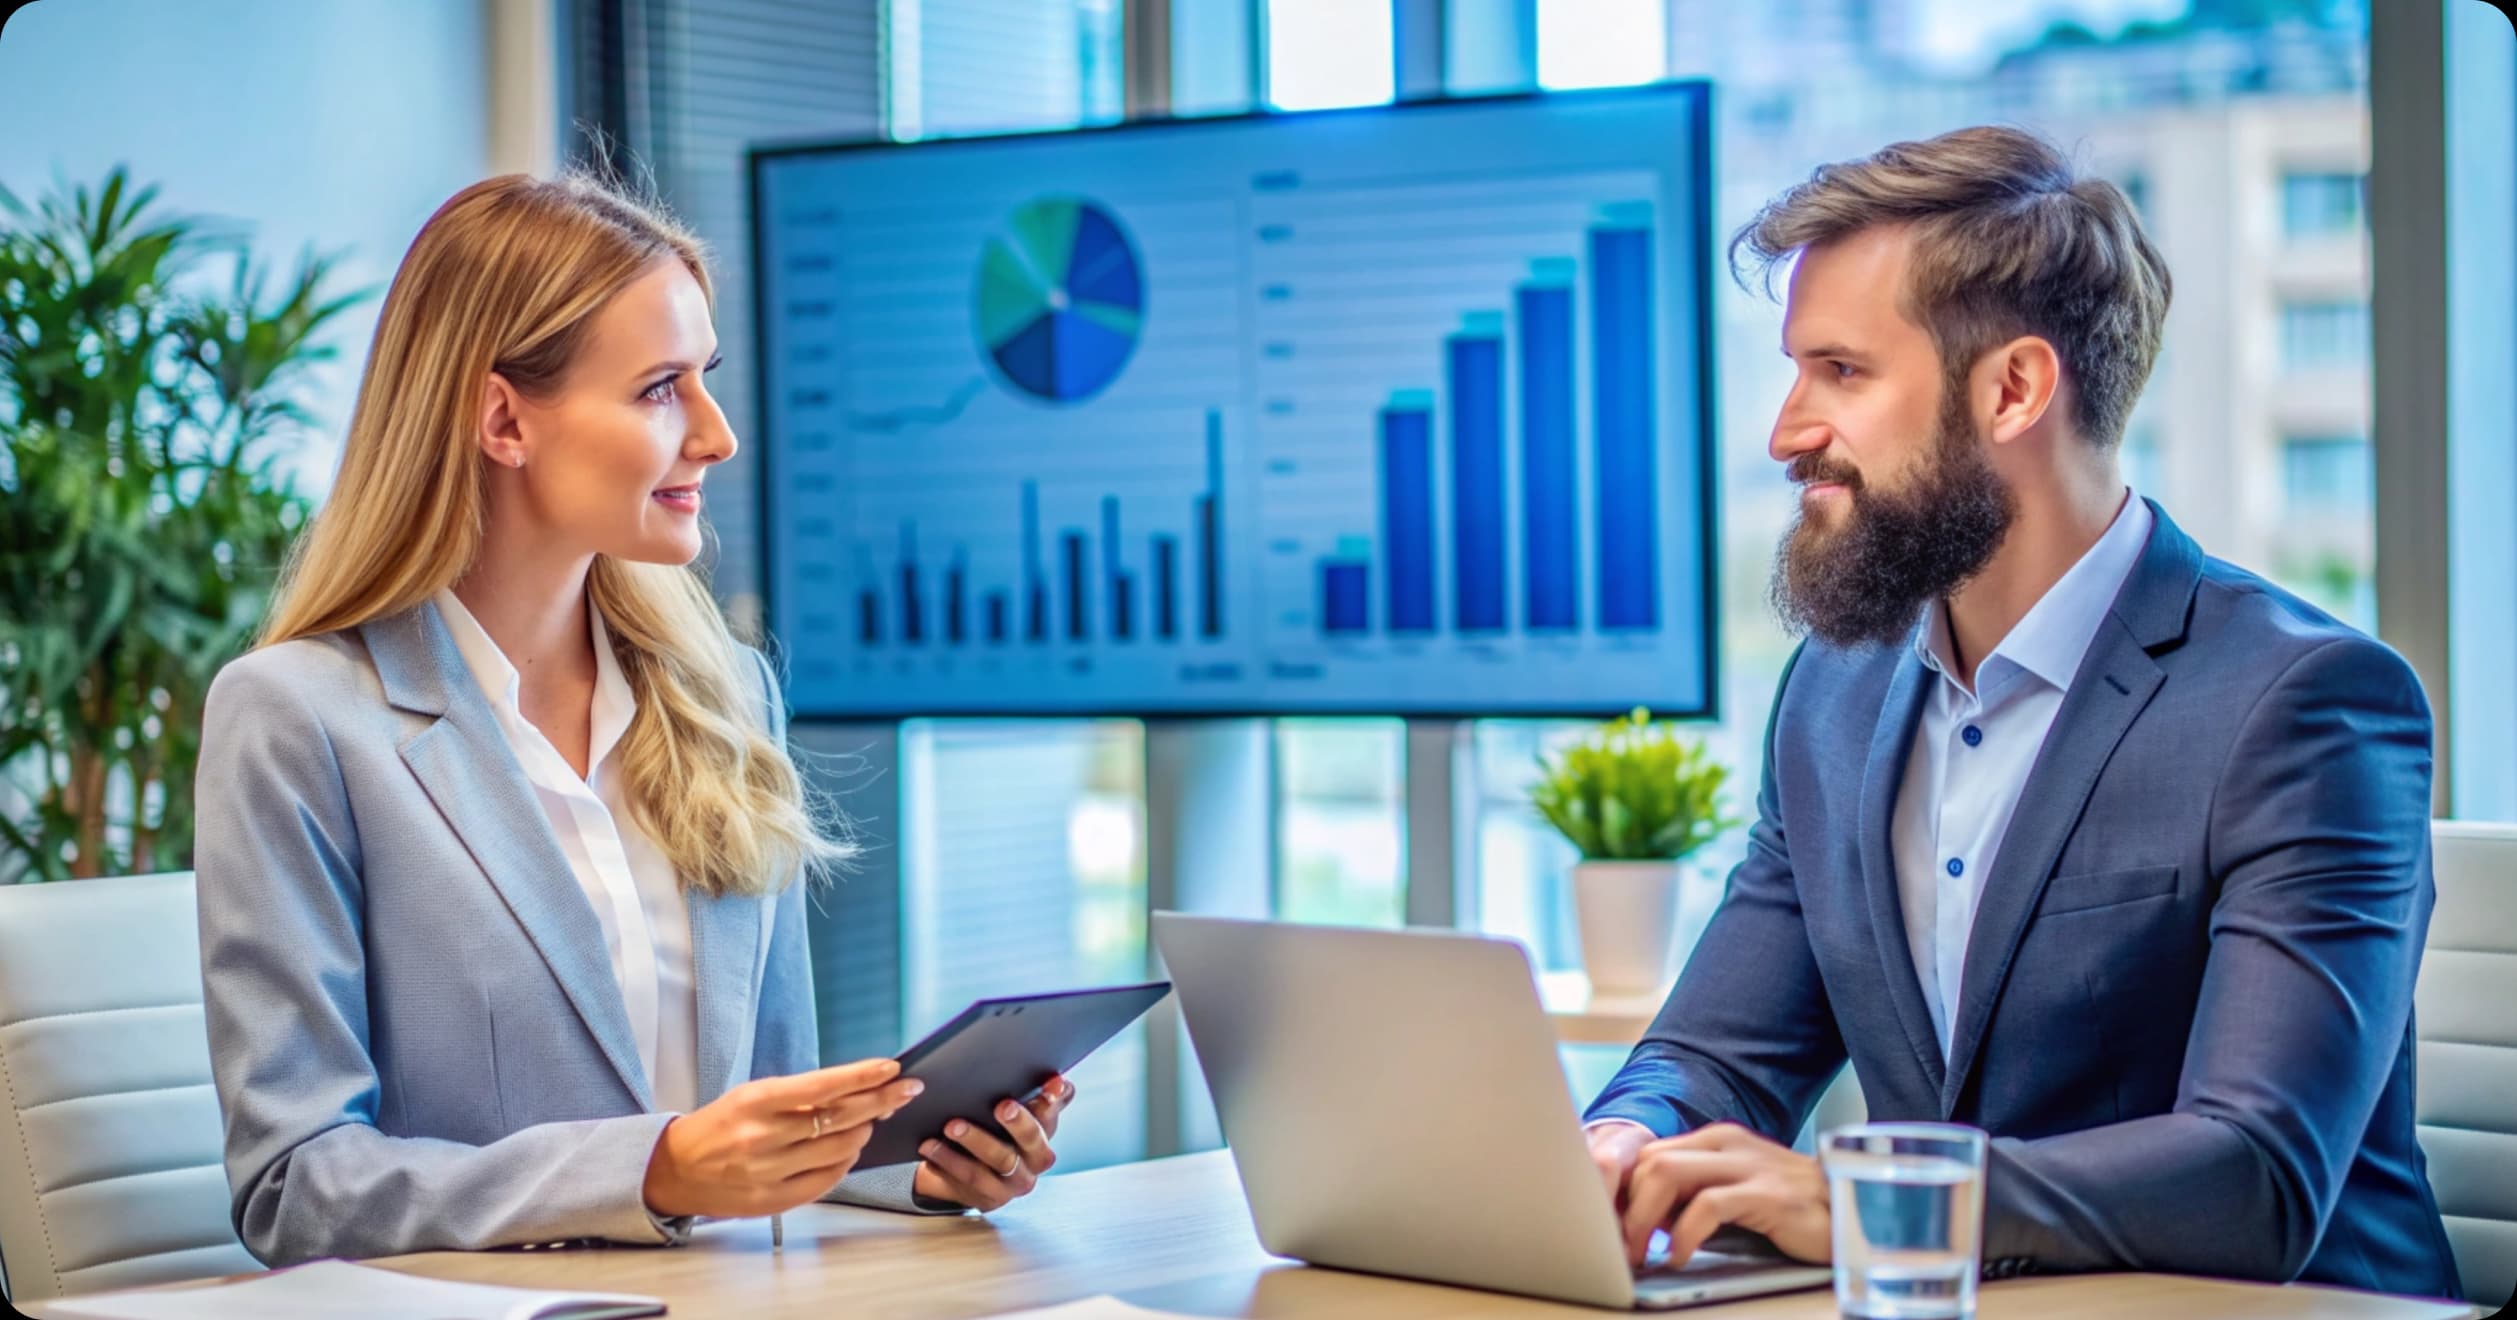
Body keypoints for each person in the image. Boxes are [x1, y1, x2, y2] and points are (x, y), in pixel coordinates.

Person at [1581, 126, 2458, 1295]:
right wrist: (1627, 1136)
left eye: (1840, 372)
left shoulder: (2305, 704)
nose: (1787, 431)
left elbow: (2257, 1172)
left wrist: (1874, 1196)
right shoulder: (1833, 697)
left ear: (2013, 389)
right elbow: (1718, 1052)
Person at [193, 173, 1072, 1266]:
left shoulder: (725, 694)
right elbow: (296, 1186)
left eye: (703, 379)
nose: (718, 435)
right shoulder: (300, 718)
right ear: (503, 418)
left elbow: (760, 1114)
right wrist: (650, 1172)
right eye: (661, 388)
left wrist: (918, 1163)